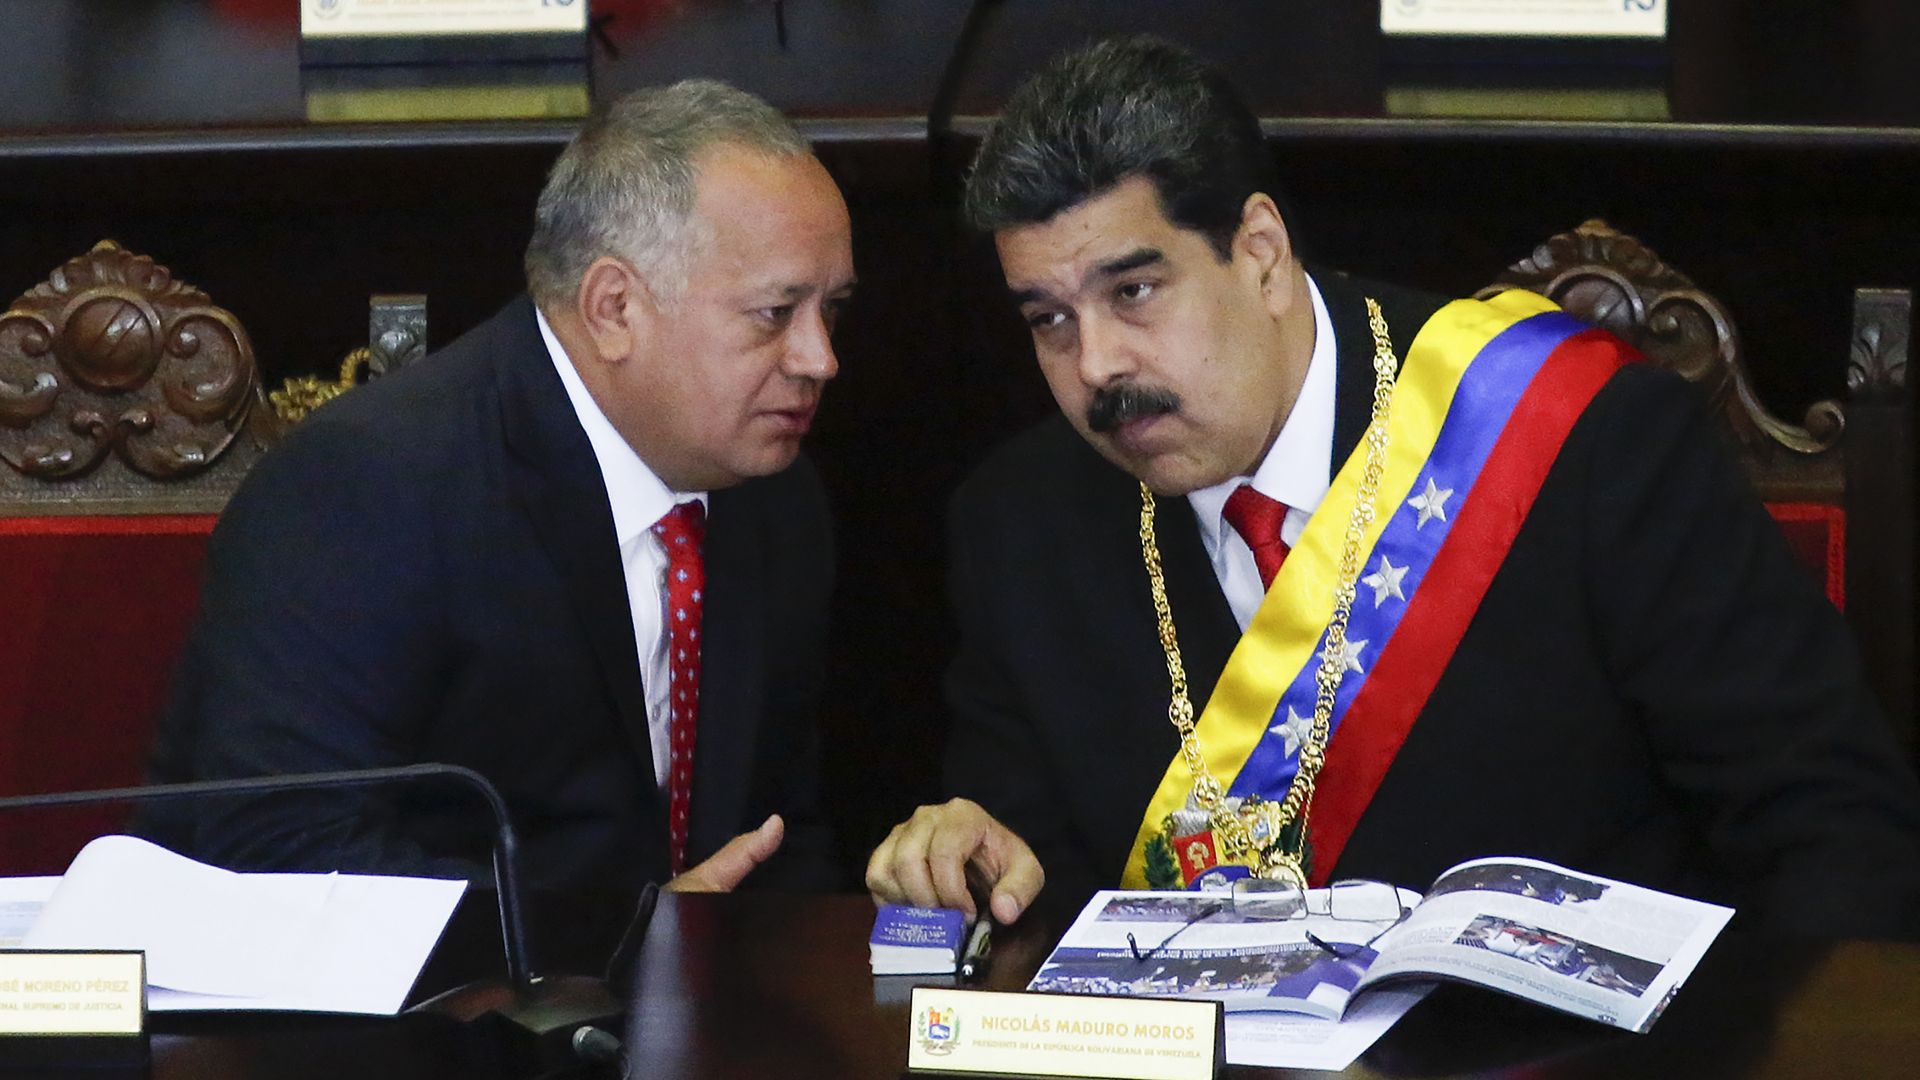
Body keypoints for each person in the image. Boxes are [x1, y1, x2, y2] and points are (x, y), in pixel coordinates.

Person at [866, 37, 1920, 937]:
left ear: (1261, 253)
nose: (1095, 366)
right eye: (1049, 319)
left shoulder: (1583, 442)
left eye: (1133, 291)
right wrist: (970, 864)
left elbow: (1830, 829)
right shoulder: (1018, 525)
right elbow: (1032, 895)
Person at [142, 80, 855, 898]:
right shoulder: (367, 486)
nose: (820, 359)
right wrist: (623, 939)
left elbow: (780, 835)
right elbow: (280, 851)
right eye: (775, 313)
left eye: (832, 309)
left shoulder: (773, 497)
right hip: (418, 984)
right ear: (614, 308)